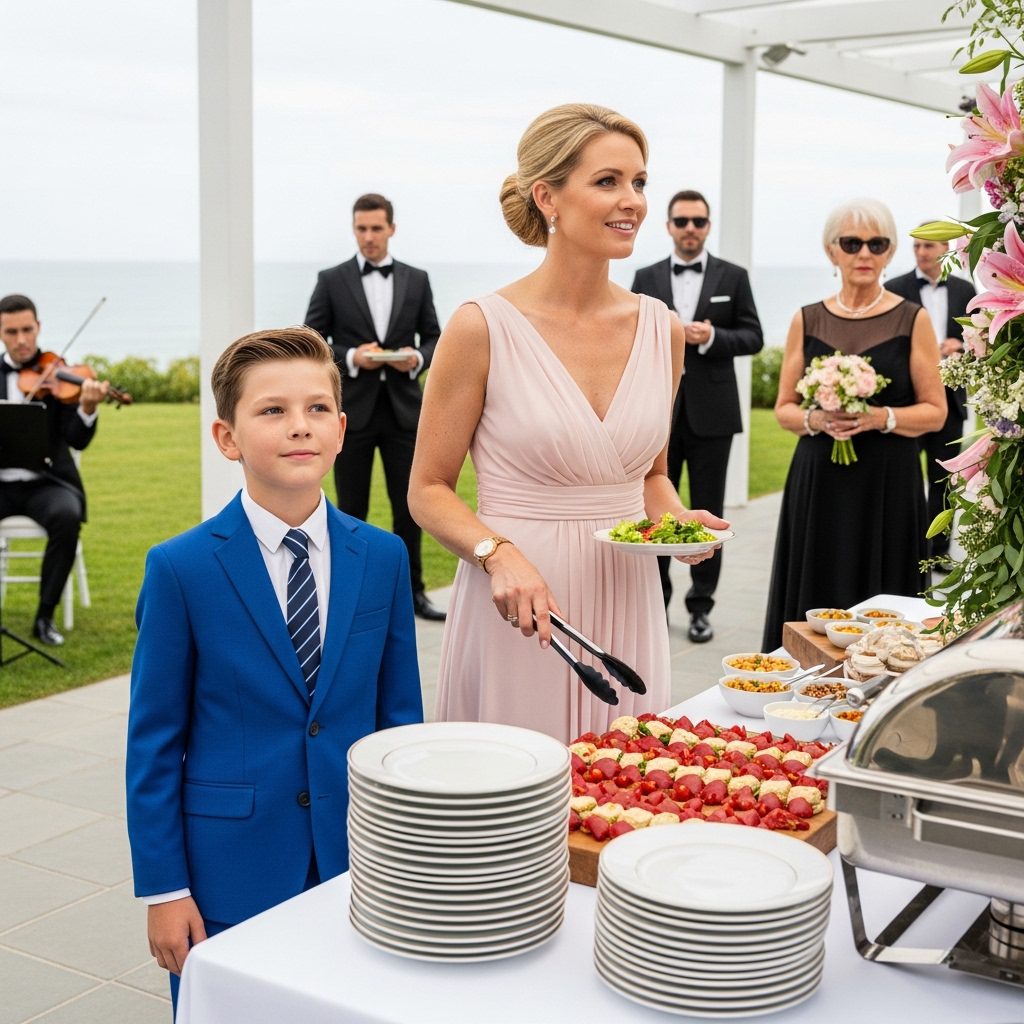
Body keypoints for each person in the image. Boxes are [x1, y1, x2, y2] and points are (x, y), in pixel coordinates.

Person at [125, 326, 423, 1013]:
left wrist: (408, 857)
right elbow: (154, 742)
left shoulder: (383, 557)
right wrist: (164, 890)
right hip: (230, 871)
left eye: (317, 408)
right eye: (272, 410)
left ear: (342, 428)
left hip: (358, 862)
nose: (299, 426)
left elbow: (399, 725)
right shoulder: (180, 568)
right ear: (227, 438)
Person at [408, 103, 727, 743]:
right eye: (608, 181)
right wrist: (497, 556)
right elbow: (427, 489)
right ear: (547, 196)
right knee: (514, 784)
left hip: (629, 599)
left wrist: (676, 522)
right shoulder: (480, 327)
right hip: (521, 605)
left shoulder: (662, 329)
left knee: (628, 783)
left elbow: (651, 475)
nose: (632, 200)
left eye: (639, 181)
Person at [761, 199, 946, 650]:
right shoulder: (807, 318)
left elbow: (935, 411)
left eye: (877, 244)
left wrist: (879, 417)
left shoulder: (913, 318)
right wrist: (816, 418)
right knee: (814, 587)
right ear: (832, 251)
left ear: (889, 252)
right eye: (852, 243)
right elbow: (784, 408)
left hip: (888, 483)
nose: (864, 253)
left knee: (886, 607)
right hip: (820, 479)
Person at [304, 193, 445, 621]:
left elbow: (435, 338)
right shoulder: (331, 280)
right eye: (361, 229)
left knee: (410, 508)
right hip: (353, 415)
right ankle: (349, 597)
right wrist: (351, 357)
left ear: (391, 229)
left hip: (404, 413)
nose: (368, 237)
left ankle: (413, 594)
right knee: (351, 509)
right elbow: (311, 339)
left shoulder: (417, 280)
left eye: (376, 228)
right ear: (354, 229)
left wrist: (415, 358)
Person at [631, 190, 763, 643]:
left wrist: (711, 337)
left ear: (708, 226)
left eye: (699, 221)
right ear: (669, 225)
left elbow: (753, 336)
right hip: (656, 415)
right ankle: (656, 603)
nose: (690, 229)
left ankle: (701, 608)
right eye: (682, 221)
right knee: (654, 512)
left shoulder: (734, 276)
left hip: (713, 414)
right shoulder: (645, 276)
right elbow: (628, 335)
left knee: (710, 511)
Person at [0, 293, 110, 646]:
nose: (21, 340)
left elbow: (76, 439)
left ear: (38, 327)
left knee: (67, 515)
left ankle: (44, 617)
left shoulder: (57, 374)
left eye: (27, 330)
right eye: (11, 332)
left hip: (45, 483)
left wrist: (87, 409)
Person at [885, 233, 976, 559]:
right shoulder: (894, 288)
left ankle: (938, 553)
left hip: (950, 402)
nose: (921, 252)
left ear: (945, 249)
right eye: (916, 246)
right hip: (907, 404)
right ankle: (903, 551)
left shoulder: (965, 289)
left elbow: (980, 338)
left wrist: (960, 346)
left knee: (944, 482)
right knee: (901, 481)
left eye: (928, 245)